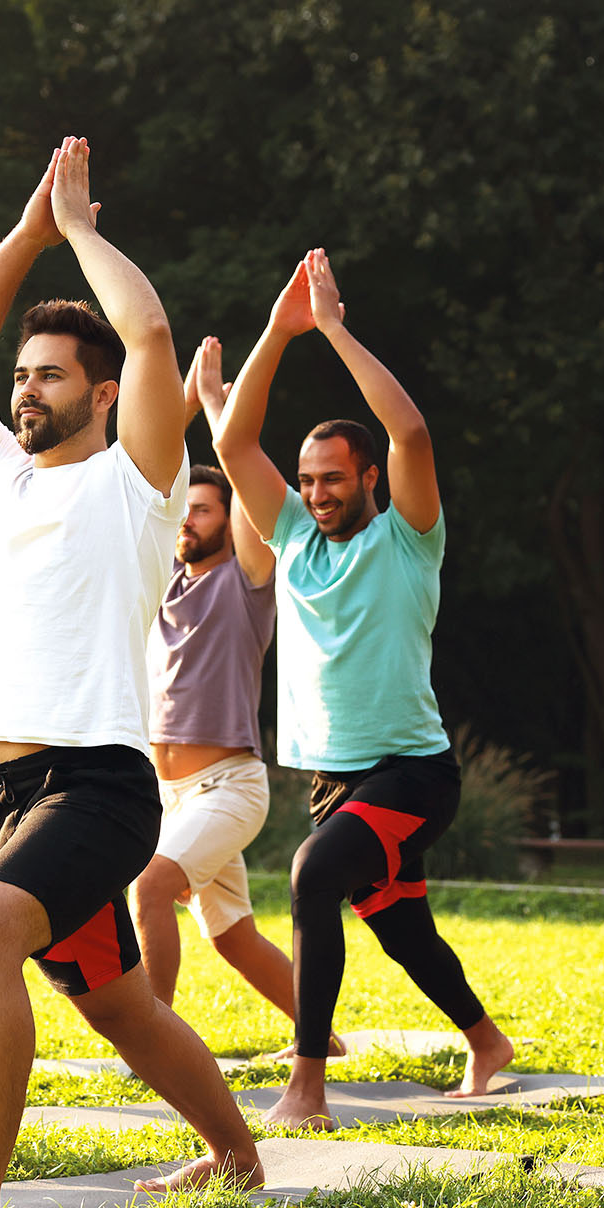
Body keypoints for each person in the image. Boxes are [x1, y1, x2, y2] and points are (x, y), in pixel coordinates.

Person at [0, 138, 263, 1208]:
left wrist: (77, 229)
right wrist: (24, 233)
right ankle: (238, 1155)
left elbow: (152, 331)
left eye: (48, 374)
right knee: (111, 996)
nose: (22, 388)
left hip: (97, 781)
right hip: (0, 783)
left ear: (102, 392)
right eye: (19, 375)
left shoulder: (139, 485)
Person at [210, 249, 513, 1131]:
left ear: (368, 477)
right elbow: (232, 443)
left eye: (332, 478)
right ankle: (485, 1040)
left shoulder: (410, 540)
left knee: (312, 879)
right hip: (332, 778)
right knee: (402, 925)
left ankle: (307, 1087)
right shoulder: (295, 539)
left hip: (412, 772)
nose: (316, 493)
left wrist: (334, 329)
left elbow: (413, 433)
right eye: (306, 482)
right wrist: (279, 329)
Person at [130, 337, 311, 1036]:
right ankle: (320, 1033)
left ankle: (150, 1037)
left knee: (149, 888)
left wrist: (214, 405)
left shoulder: (247, 582)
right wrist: (174, 400)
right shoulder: (161, 579)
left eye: (203, 510)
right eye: (185, 510)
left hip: (228, 788)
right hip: (169, 796)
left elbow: (246, 489)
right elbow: (145, 478)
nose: (188, 520)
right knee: (232, 937)